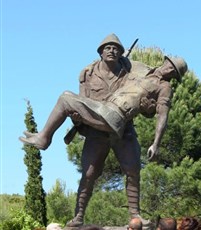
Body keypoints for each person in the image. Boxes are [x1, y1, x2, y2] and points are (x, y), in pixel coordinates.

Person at [19, 34, 187, 229]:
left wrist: (155, 141)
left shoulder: (157, 83)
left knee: (133, 170)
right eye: (169, 65)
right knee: (89, 173)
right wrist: (78, 117)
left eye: (173, 71)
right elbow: (86, 97)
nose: (168, 70)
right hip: (98, 126)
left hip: (119, 123)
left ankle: (44, 138)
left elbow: (160, 115)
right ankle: (78, 217)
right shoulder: (106, 71)